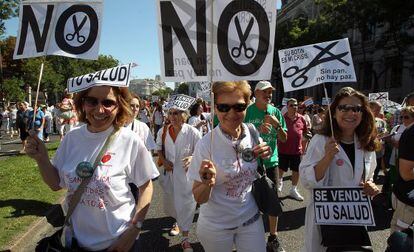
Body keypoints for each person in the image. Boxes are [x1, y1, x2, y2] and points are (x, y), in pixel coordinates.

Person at [25, 85, 154, 251]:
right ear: (82, 104)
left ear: (119, 106)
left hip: (119, 242)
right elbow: (55, 184)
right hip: (76, 242)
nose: (100, 110)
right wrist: (41, 158)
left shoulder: (130, 140)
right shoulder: (72, 138)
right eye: (92, 101)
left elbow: (146, 186)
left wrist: (135, 229)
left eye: (108, 103)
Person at [188, 81, 272, 252]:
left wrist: (266, 153)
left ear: (247, 105)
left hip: (251, 219)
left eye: (239, 107)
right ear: (215, 108)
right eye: (224, 107)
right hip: (216, 227)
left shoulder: (252, 132)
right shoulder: (206, 144)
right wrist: (206, 183)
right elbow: (199, 198)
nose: (232, 113)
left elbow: (258, 161)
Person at [300, 87, 380, 252]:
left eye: (356, 108)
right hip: (325, 219)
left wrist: (370, 185)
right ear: (334, 112)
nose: (350, 113)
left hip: (354, 218)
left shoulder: (366, 143)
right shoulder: (321, 140)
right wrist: (328, 157)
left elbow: (369, 175)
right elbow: (307, 181)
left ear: (363, 113)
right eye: (343, 108)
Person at [244, 80, 287, 252]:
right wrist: (256, 131)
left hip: (271, 162)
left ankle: (273, 237)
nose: (268, 95)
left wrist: (276, 124)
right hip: (251, 161)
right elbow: (238, 134)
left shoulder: (275, 111)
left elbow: (284, 138)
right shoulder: (247, 111)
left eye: (270, 92)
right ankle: (250, 236)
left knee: (273, 199)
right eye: (264, 92)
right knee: (250, 200)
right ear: (255, 94)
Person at [156, 106, 201, 252]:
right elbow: (158, 148)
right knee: (173, 204)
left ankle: (185, 239)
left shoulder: (193, 132)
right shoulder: (163, 131)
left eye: (176, 113)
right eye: (170, 113)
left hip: (187, 177)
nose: (173, 116)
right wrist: (164, 160)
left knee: (187, 205)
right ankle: (177, 222)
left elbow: (202, 151)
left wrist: (193, 157)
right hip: (169, 175)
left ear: (184, 115)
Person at [126, 94, 159, 201]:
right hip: (119, 173)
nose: (135, 109)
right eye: (132, 105)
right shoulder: (115, 126)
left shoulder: (143, 127)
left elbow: (148, 149)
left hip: (136, 174)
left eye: (137, 106)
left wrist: (148, 170)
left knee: (136, 203)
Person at [278, 98, 309, 201]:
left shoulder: (302, 118)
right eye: (291, 105)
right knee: (281, 169)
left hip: (297, 150)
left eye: (296, 105)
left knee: (296, 170)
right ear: (287, 107)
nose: (294, 107)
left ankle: (293, 190)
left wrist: (306, 142)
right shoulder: (282, 118)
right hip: (283, 149)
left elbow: (305, 133)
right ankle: (279, 182)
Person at [390, 106, 414, 233]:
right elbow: (406, 173)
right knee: (402, 243)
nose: (403, 119)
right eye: (402, 117)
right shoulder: (410, 133)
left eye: (406, 117)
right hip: (409, 203)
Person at [369, 101, 388, 182]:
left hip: (378, 152)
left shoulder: (381, 121)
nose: (378, 112)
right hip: (368, 150)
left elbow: (385, 131)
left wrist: (385, 134)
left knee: (375, 171)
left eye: (379, 110)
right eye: (376, 110)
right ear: (369, 108)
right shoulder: (361, 121)